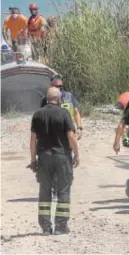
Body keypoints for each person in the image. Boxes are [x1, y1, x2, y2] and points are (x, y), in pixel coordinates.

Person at [28, 87, 80, 235]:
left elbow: (33, 140)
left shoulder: (37, 114)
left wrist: (33, 160)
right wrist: (77, 155)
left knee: (44, 191)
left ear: (47, 98)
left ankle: (45, 227)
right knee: (63, 190)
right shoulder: (64, 113)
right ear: (59, 99)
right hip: (62, 156)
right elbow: (71, 136)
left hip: (44, 157)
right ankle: (61, 226)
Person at [41, 74, 83, 139]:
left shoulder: (69, 96)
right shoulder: (46, 98)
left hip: (68, 130)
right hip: (52, 133)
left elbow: (76, 113)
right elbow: (42, 117)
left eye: (60, 86)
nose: (58, 88)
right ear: (51, 85)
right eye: (55, 86)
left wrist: (79, 128)